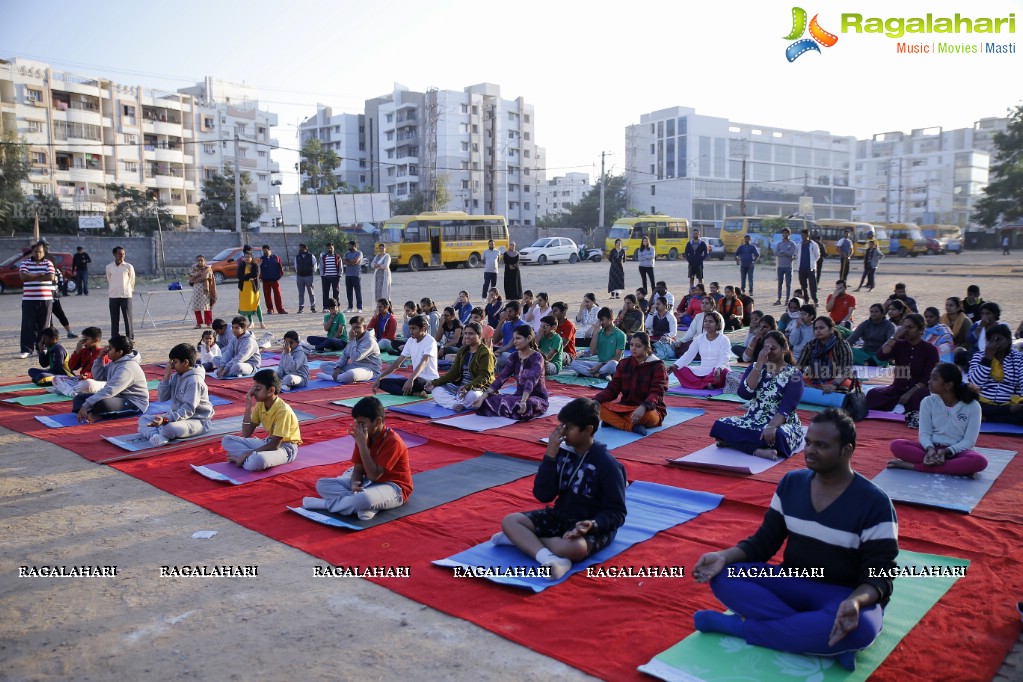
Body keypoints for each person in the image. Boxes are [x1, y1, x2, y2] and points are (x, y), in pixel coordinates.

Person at [693, 409, 899, 672]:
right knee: (723, 575)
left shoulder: (875, 503)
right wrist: (723, 557)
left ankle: (738, 627)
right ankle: (826, 640)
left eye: (821, 445)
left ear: (847, 450)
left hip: (843, 594)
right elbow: (763, 543)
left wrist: (855, 603)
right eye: (809, 442)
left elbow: (880, 574)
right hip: (792, 581)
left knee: (863, 629)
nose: (810, 450)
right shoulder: (792, 483)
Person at [495, 397, 627, 580]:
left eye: (569, 427)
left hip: (588, 525)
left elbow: (617, 513)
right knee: (510, 521)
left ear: (588, 429)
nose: (563, 433)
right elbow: (543, 494)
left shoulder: (608, 466)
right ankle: (549, 558)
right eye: (562, 426)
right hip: (560, 515)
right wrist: (550, 454)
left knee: (574, 548)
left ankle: (523, 541)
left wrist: (592, 524)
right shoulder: (562, 453)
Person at [303, 396, 412, 520]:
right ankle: (365, 506)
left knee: (365, 498)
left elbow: (373, 475)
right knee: (322, 484)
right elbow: (358, 469)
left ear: (377, 421)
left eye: (362, 423)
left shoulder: (393, 441)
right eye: (357, 423)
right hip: (369, 484)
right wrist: (355, 484)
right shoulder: (364, 436)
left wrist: (362, 445)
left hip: (394, 488)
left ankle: (325, 505)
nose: (358, 427)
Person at [709, 331, 805, 460]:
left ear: (785, 348)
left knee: (779, 436)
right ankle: (757, 450)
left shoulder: (794, 374)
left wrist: (771, 427)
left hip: (780, 423)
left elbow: (786, 409)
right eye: (765, 348)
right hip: (753, 420)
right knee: (720, 425)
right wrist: (759, 365)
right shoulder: (756, 367)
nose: (768, 352)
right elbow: (745, 394)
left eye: (773, 348)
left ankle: (734, 442)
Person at [888, 364, 987, 476]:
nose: (929, 382)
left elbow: (969, 441)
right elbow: (925, 434)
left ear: (948, 385)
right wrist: (930, 449)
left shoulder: (972, 406)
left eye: (934, 379)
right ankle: (953, 467)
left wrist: (947, 451)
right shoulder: (927, 402)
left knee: (979, 461)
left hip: (957, 452)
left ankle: (914, 466)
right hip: (930, 450)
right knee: (896, 445)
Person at [221, 369, 302, 471]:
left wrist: (247, 453)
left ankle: (245, 458)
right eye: (253, 388)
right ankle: (247, 458)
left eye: (258, 389)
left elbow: (274, 445)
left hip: (285, 448)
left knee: (257, 460)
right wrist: (248, 407)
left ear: (271, 390)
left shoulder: (283, 411)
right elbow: (246, 433)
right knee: (227, 440)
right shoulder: (261, 405)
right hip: (267, 442)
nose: (253, 392)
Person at [867, 314, 940, 425]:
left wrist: (909, 394)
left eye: (910, 327)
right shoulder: (899, 344)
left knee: (922, 398)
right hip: (897, 388)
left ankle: (908, 411)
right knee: (873, 394)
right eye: (904, 327)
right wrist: (895, 336)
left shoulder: (930, 350)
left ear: (920, 330)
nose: (906, 330)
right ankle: (899, 407)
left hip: (917, 390)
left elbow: (927, 378)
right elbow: (881, 355)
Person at [137, 343, 214, 446]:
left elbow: (188, 410)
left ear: (186, 362)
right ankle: (157, 436)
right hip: (176, 417)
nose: (172, 365)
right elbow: (162, 397)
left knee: (168, 428)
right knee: (144, 419)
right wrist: (166, 377)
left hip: (197, 420)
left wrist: (166, 419)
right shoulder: (176, 376)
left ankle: (158, 434)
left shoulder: (195, 381)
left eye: (175, 362)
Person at [593, 332, 667, 435]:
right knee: (598, 407)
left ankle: (615, 421)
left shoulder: (657, 365)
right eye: (631, 345)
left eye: (638, 346)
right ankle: (630, 427)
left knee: (646, 416)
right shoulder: (624, 363)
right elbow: (613, 388)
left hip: (649, 409)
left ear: (647, 348)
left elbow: (657, 392)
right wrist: (596, 400)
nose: (633, 348)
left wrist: (643, 407)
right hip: (625, 407)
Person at [473, 324, 550, 420]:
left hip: (535, 398)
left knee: (528, 404)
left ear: (529, 338)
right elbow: (502, 377)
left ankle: (516, 408)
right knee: (488, 400)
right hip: (518, 396)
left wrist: (523, 401)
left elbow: (531, 380)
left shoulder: (537, 357)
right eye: (514, 339)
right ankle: (513, 409)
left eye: (518, 338)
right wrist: (483, 396)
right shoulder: (514, 356)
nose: (515, 342)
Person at [72, 336, 150, 422]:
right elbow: (99, 376)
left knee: (102, 403)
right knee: (79, 398)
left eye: (110, 348)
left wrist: (86, 405)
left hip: (134, 403)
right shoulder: (115, 362)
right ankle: (92, 412)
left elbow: (109, 391)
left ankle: (97, 415)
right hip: (116, 397)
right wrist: (99, 358)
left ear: (119, 352)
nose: (106, 350)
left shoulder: (127, 368)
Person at [425, 322, 494, 411]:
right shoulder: (462, 351)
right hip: (460, 386)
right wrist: (435, 382)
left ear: (480, 335)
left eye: (471, 334)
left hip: (477, 387)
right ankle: (455, 405)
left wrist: (468, 387)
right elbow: (453, 373)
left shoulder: (485, 353)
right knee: (436, 391)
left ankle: (457, 402)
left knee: (472, 395)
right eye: (465, 333)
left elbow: (484, 377)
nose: (467, 336)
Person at [967, 325, 1023, 426]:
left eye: (998, 339)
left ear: (1008, 341)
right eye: (991, 340)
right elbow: (975, 382)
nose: (994, 343)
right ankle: (999, 416)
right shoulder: (979, 356)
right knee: (965, 405)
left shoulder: (1019, 358)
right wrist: (987, 359)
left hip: (1010, 403)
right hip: (984, 403)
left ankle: (987, 418)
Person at [375, 314, 439, 396]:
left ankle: (413, 391)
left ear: (423, 328)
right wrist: (380, 377)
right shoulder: (410, 341)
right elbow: (397, 363)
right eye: (410, 328)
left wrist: (411, 379)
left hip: (429, 380)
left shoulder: (430, 341)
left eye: (414, 328)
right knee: (382, 383)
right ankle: (414, 393)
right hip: (415, 378)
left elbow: (424, 362)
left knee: (417, 382)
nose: (411, 331)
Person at [673, 312, 732, 389]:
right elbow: (689, 354)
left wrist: (719, 368)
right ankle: (705, 384)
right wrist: (675, 365)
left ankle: (696, 383)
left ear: (717, 325)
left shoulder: (724, 339)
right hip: (702, 370)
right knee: (679, 369)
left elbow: (725, 357)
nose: (707, 323)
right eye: (705, 321)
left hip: (717, 370)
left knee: (724, 372)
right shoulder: (699, 338)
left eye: (711, 321)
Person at [18, 241, 56, 358]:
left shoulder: (48, 263)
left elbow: (50, 276)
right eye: (35, 252)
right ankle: (26, 349)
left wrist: (32, 276)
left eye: (40, 252)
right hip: (29, 299)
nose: (38, 254)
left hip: (45, 299)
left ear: (44, 252)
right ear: (32, 252)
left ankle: (42, 348)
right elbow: (23, 277)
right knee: (27, 325)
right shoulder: (25, 263)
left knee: (44, 325)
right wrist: (40, 275)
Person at [798, 316, 854, 394]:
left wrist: (834, 384)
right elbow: (800, 366)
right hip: (814, 380)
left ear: (831, 330)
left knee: (846, 388)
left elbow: (846, 369)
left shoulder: (842, 344)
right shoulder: (811, 345)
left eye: (821, 328)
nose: (818, 331)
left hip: (837, 380)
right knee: (794, 382)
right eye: (816, 328)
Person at [568, 307, 626, 378]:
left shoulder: (620, 335)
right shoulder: (599, 333)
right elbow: (592, 351)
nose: (600, 323)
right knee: (574, 363)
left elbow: (617, 358)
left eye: (603, 320)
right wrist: (595, 333)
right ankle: (598, 375)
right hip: (599, 363)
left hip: (610, 364)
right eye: (599, 320)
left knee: (613, 365)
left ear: (610, 319)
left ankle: (590, 372)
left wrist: (600, 365)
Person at [53, 326, 106, 396]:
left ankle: (66, 390)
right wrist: (77, 351)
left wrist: (87, 376)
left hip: (94, 381)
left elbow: (103, 374)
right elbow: (71, 367)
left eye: (86, 339)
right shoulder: (84, 351)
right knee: (56, 378)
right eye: (83, 339)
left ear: (96, 340)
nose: (83, 342)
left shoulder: (103, 353)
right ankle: (72, 392)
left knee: (87, 384)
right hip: (80, 380)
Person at [329, 316, 382, 385]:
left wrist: (351, 341)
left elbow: (355, 357)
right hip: (355, 366)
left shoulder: (369, 341)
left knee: (351, 374)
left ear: (364, 327)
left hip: (370, 369)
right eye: (353, 328)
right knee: (325, 365)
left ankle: (331, 377)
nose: (355, 330)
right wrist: (338, 367)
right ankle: (341, 376)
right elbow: (345, 355)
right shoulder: (355, 337)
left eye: (357, 327)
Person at [105, 246, 135, 341]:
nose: (121, 256)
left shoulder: (128, 266)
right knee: (114, 318)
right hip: (113, 295)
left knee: (127, 318)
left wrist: (128, 290)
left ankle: (129, 338)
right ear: (114, 254)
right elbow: (109, 279)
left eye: (123, 254)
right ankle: (114, 337)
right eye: (119, 254)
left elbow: (132, 280)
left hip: (126, 295)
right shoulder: (109, 267)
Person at [237, 249, 266, 329]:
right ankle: (251, 322)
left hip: (253, 289)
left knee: (256, 305)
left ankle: (261, 322)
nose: (247, 258)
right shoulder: (241, 266)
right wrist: (248, 277)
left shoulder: (255, 265)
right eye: (245, 257)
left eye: (248, 257)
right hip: (244, 289)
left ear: (251, 257)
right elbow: (239, 276)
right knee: (247, 306)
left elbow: (255, 274)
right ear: (243, 258)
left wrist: (247, 276)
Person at [188, 254, 216, 329]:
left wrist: (197, 275)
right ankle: (198, 323)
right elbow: (191, 279)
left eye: (201, 260)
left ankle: (209, 323)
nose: (200, 262)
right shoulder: (194, 268)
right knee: (196, 307)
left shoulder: (208, 268)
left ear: (205, 261)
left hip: (205, 290)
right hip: (196, 290)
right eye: (198, 260)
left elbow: (209, 277)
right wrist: (195, 275)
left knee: (207, 307)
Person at [259, 244, 287, 314]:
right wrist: (261, 278)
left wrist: (278, 277)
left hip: (275, 280)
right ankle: (270, 309)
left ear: (269, 250)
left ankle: (280, 309)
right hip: (265, 281)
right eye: (263, 251)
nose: (264, 252)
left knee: (278, 295)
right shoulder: (261, 259)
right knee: (267, 296)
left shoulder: (276, 258)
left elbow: (280, 268)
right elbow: (259, 269)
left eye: (266, 251)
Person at [794, 229, 820, 305]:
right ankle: (806, 299)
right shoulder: (799, 245)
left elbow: (817, 255)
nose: (803, 237)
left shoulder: (813, 244)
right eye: (802, 235)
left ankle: (815, 300)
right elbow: (795, 254)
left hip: (810, 268)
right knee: (803, 286)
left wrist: (812, 262)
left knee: (813, 285)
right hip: (801, 268)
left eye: (804, 235)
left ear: (808, 236)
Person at [774, 228, 797, 305]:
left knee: (788, 284)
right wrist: (786, 253)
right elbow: (776, 253)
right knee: (779, 284)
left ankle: (787, 299)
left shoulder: (792, 244)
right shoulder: (779, 244)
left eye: (786, 233)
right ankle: (779, 299)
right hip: (780, 266)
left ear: (789, 234)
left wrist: (783, 252)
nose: (785, 235)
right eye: (784, 233)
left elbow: (792, 253)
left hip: (788, 266)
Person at [294, 243, 318, 313]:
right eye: (299, 248)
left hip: (309, 276)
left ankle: (313, 306)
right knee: (301, 293)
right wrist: (299, 272)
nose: (300, 249)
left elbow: (315, 265)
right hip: (300, 276)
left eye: (301, 248)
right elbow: (296, 266)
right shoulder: (297, 257)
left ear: (305, 249)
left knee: (311, 292)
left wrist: (311, 272)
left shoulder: (311, 256)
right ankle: (301, 307)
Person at [342, 240, 364, 312]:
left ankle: (359, 307)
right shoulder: (347, 253)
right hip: (348, 275)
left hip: (356, 275)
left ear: (354, 246)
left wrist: (349, 261)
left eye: (349, 245)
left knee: (357, 291)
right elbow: (343, 261)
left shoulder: (359, 253)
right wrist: (350, 262)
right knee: (349, 292)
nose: (348, 247)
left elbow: (355, 261)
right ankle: (350, 307)